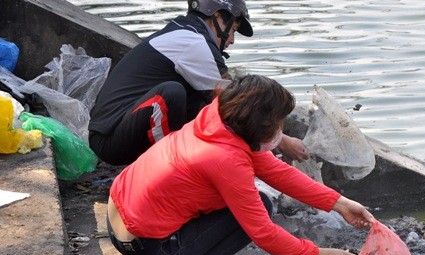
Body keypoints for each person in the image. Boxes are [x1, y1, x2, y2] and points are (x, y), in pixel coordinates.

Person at [106, 74, 374, 255]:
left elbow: (277, 171)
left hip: (119, 215)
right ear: (260, 125)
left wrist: (341, 204)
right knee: (258, 209)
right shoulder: (226, 160)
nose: (281, 130)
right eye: (278, 124)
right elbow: (264, 234)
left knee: (255, 202)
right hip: (145, 247)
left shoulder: (218, 119)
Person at [89, 0, 308, 166]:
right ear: (219, 17)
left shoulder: (186, 32)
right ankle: (166, 171)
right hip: (110, 141)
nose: (232, 40)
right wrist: (282, 141)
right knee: (173, 94)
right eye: (233, 30)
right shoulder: (193, 41)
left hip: (122, 130)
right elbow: (237, 103)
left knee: (200, 103)